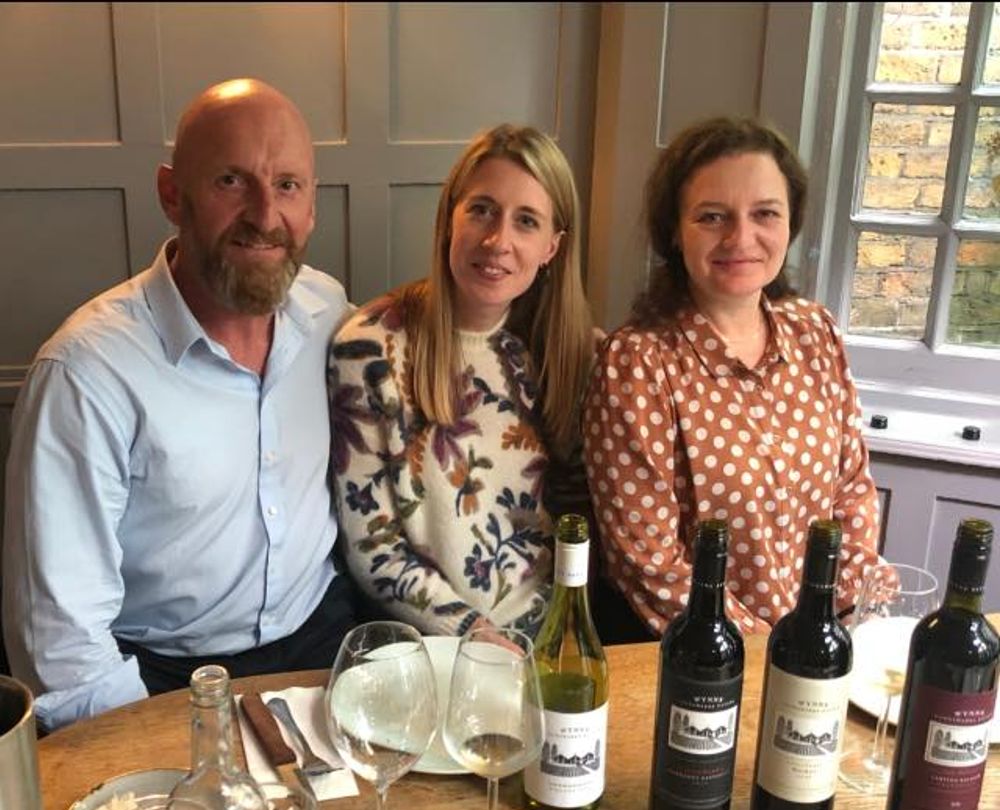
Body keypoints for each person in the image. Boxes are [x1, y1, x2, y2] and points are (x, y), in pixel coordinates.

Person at [2, 78, 357, 732]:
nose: (264, 214)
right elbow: (60, 639)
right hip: (166, 676)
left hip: (328, 637)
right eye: (231, 181)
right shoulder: (86, 373)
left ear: (311, 205)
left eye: (287, 185)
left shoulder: (329, 311)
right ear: (172, 194)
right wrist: (154, 749)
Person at [583, 116, 882, 637]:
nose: (741, 237)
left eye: (765, 213)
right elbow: (648, 563)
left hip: (824, 641)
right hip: (703, 657)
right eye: (712, 216)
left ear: (790, 223)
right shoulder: (636, 364)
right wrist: (769, 650)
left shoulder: (816, 332)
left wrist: (842, 622)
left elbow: (851, 492)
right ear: (674, 232)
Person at [328, 123, 594, 637]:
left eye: (526, 221)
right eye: (481, 210)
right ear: (449, 217)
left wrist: (564, 632)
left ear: (552, 248)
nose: (498, 241)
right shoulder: (370, 348)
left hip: (550, 634)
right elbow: (373, 546)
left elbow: (578, 524)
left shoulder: (565, 352)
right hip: (429, 642)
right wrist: (475, 635)